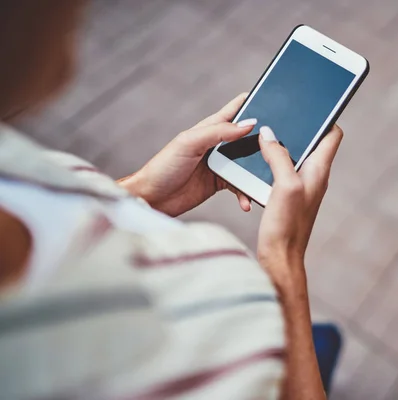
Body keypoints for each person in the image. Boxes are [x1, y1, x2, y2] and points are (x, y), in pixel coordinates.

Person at [0, 1, 343, 399]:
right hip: (268, 346)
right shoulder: (214, 329)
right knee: (325, 342)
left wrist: (141, 192)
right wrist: (283, 261)